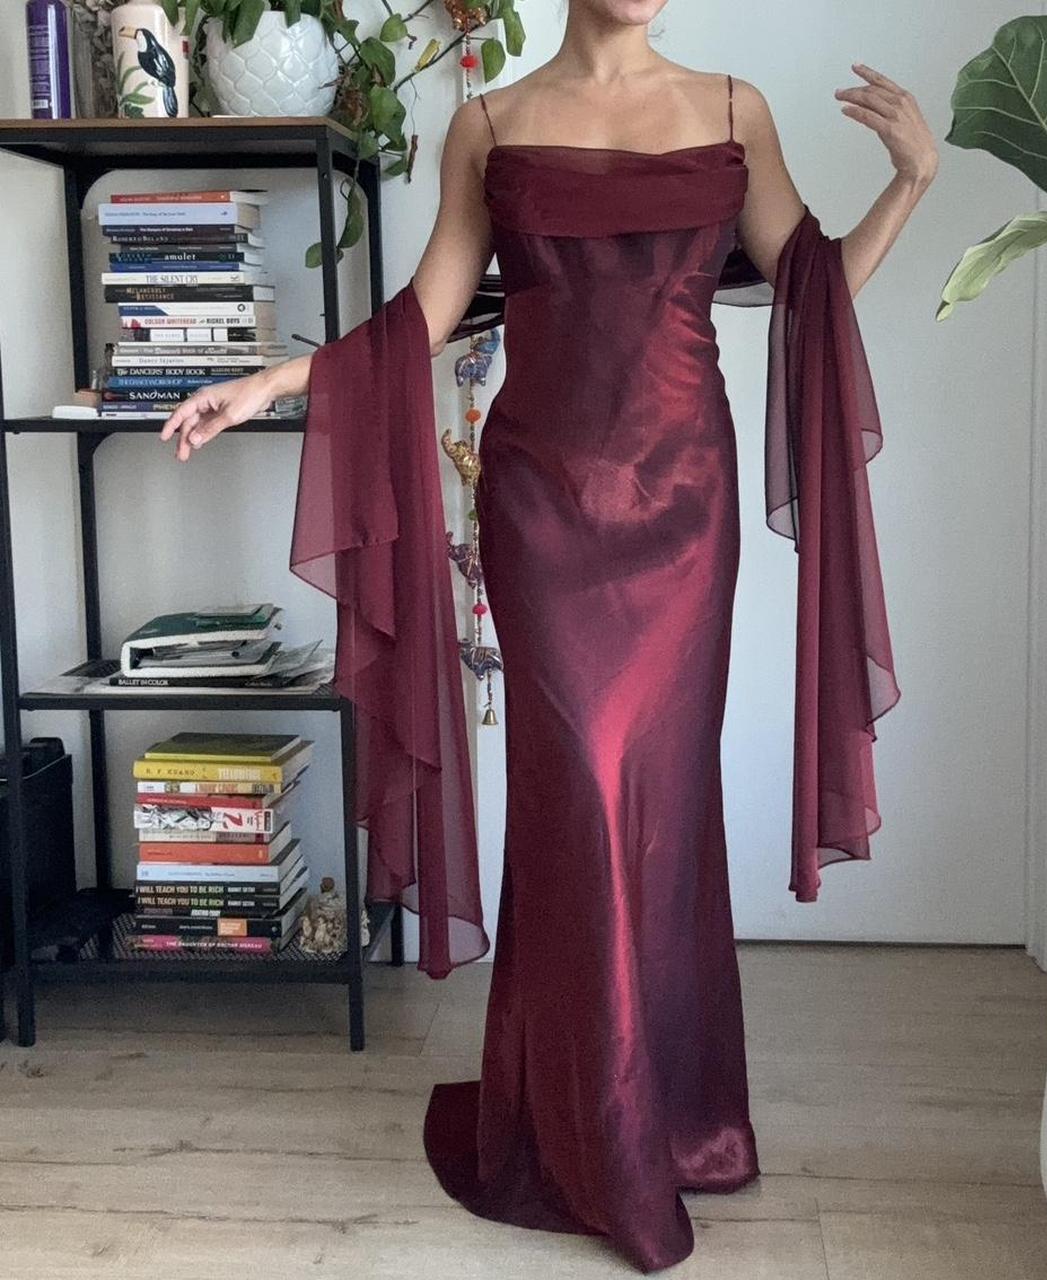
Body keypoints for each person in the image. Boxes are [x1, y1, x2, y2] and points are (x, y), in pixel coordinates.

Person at [160, 3, 936, 1271]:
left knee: (661, 801)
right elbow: (422, 318)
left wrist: (909, 182)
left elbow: (812, 291)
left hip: (683, 509)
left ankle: (672, 1117)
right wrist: (268, 381)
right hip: (539, 506)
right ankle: (590, 1127)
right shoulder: (489, 123)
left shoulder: (732, 110)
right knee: (573, 793)